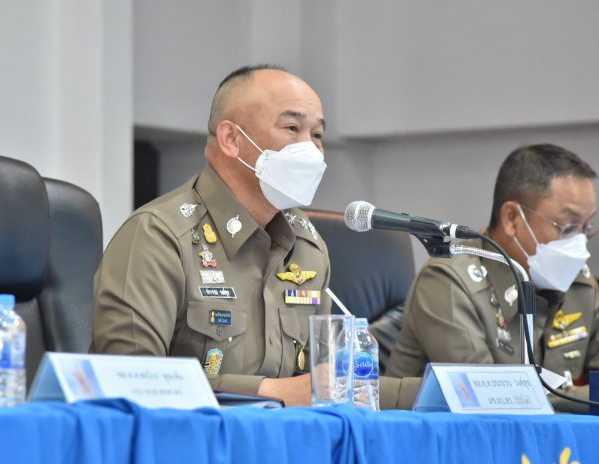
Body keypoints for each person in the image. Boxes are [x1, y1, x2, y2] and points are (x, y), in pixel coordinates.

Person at [92, 64, 419, 408]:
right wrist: (270, 391)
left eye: (317, 135)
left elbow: (326, 384)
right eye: (292, 128)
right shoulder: (159, 236)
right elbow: (130, 381)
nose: (311, 150)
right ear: (231, 139)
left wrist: (433, 393)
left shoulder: (308, 248)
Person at [387, 144, 599, 410]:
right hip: (440, 434)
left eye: (586, 228)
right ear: (512, 218)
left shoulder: (579, 283)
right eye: (568, 227)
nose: (580, 243)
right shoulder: (447, 281)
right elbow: (489, 399)